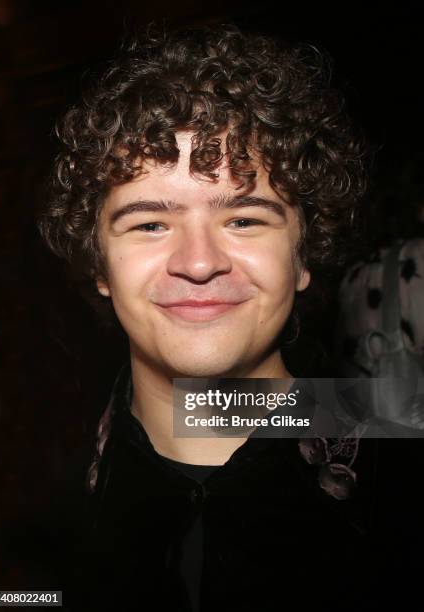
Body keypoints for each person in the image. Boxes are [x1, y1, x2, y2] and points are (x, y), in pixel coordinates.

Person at [38, 23, 393, 612]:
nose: (199, 263)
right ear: (100, 266)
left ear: (304, 255)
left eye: (245, 219)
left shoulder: (403, 489)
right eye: (150, 223)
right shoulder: (37, 530)